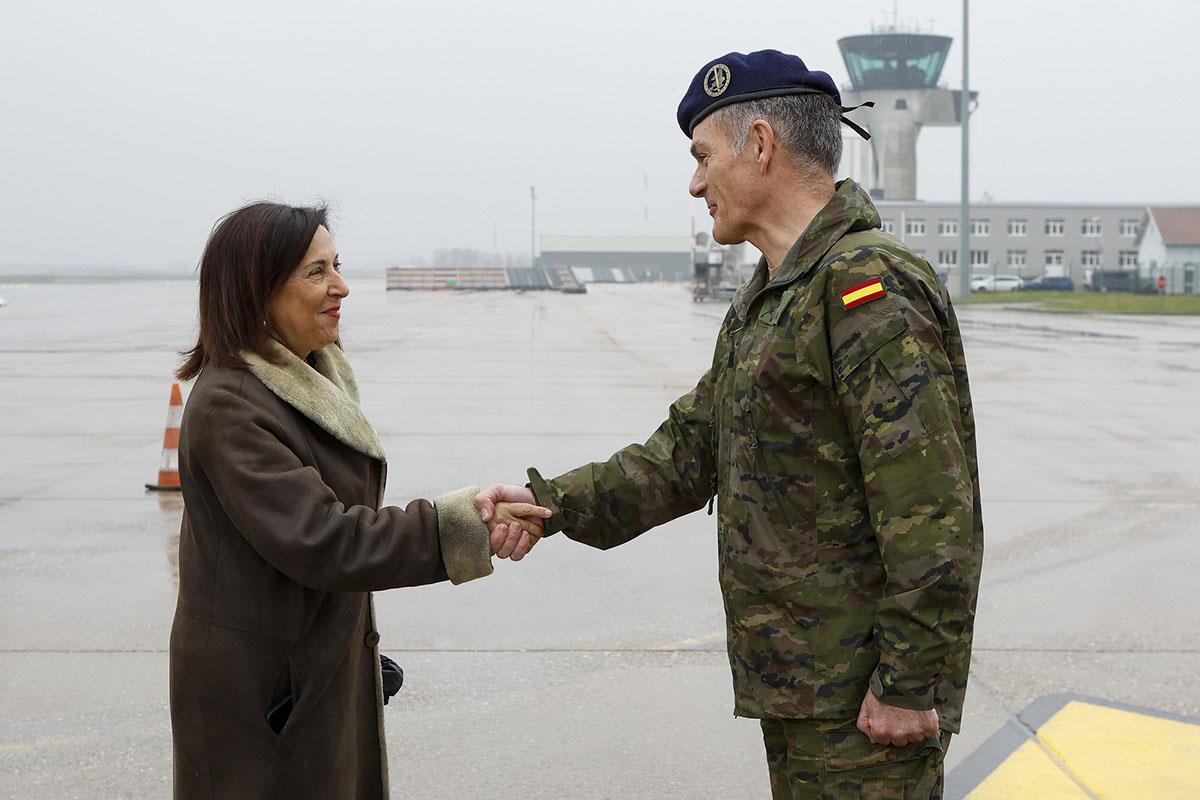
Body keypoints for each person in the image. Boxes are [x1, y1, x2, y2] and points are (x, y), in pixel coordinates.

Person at [478, 50, 984, 799]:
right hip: (805, 689)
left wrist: (910, 683)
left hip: (865, 703)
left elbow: (933, 513)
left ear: (760, 145)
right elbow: (686, 452)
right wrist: (549, 505)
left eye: (702, 156)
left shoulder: (863, 288)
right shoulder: (772, 299)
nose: (693, 182)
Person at [169, 202, 548, 799]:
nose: (341, 286)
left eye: (336, 265)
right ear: (256, 289)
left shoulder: (301, 382)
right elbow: (327, 539)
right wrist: (464, 524)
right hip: (261, 700)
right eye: (316, 272)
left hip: (310, 679)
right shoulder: (232, 407)